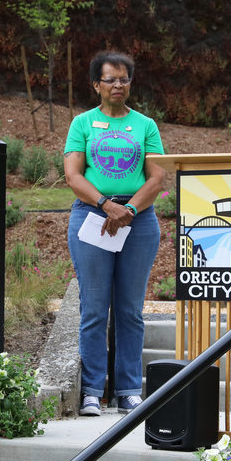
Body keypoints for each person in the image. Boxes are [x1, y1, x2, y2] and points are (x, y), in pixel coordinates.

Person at [64, 51, 166, 416]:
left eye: (124, 79)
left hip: (138, 222)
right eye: (111, 79)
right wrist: (107, 205)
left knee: (130, 310)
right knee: (93, 308)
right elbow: (74, 176)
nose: (119, 85)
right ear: (96, 85)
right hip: (93, 216)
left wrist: (131, 210)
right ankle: (92, 390)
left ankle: (127, 390)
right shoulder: (83, 124)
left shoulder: (145, 125)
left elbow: (156, 177)